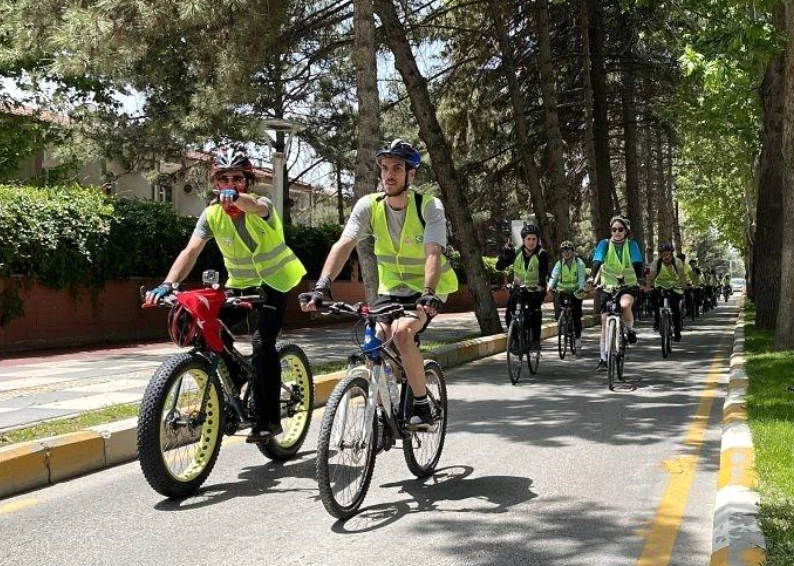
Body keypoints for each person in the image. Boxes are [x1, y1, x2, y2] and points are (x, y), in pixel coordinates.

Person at [143, 146, 306, 442]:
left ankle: (268, 420)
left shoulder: (261, 205)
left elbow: (253, 207)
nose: (229, 185)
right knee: (205, 325)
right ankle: (236, 372)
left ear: (247, 182)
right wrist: (168, 284)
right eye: (223, 179)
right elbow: (191, 251)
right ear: (215, 183)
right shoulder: (211, 215)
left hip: (275, 283)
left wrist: (238, 199)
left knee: (261, 343)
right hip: (239, 284)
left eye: (237, 179)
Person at [303, 139, 458, 430]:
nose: (389, 174)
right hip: (389, 290)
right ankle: (385, 402)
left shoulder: (429, 207)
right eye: (385, 168)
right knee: (375, 336)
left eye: (397, 169)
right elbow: (345, 244)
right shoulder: (368, 206)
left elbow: (433, 253)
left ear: (411, 175)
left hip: (428, 290)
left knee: (401, 332)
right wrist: (322, 286)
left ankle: (422, 405)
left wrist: (427, 294)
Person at [586, 214, 646, 371]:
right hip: (608, 286)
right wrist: (592, 278)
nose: (617, 232)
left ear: (626, 231)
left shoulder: (631, 244)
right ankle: (603, 358)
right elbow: (597, 261)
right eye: (613, 230)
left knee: (625, 304)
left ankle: (630, 330)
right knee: (605, 320)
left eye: (620, 229)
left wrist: (639, 279)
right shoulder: (604, 244)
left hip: (628, 285)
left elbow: (637, 262)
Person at [496, 224, 550, 349]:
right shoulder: (516, 251)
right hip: (519, 289)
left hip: (535, 290)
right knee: (510, 314)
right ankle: (515, 341)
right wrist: (504, 255)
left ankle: (536, 340)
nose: (531, 242)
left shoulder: (542, 254)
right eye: (528, 239)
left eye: (534, 239)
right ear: (523, 240)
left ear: (538, 240)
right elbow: (499, 267)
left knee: (534, 312)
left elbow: (543, 272)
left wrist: (541, 285)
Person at [549, 240, 587, 352]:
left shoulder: (579, 263)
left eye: (569, 250)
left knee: (576, 316)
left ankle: (578, 338)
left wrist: (581, 290)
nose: (566, 253)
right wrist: (550, 286)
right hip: (562, 292)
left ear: (573, 251)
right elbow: (554, 276)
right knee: (563, 308)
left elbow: (581, 278)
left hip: (576, 292)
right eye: (564, 251)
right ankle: (564, 324)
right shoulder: (559, 264)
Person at [649, 242, 684, 342]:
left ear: (672, 254)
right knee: (655, 302)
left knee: (675, 308)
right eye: (663, 254)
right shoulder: (656, 262)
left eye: (668, 253)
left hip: (675, 286)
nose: (666, 256)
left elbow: (681, 275)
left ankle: (677, 330)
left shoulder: (677, 262)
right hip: (659, 286)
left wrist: (684, 286)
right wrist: (648, 287)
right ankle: (657, 321)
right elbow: (651, 276)